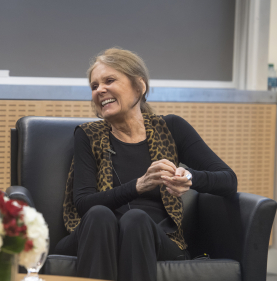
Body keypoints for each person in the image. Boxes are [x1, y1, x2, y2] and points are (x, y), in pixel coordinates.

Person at [55, 48, 237, 281]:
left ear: (139, 86)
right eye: (94, 86)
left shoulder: (171, 128)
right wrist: (138, 185)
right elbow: (83, 204)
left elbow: (228, 180)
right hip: (97, 233)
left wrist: (189, 178)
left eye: (109, 80)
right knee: (99, 215)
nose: (100, 89)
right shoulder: (88, 135)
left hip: (157, 237)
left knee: (136, 219)